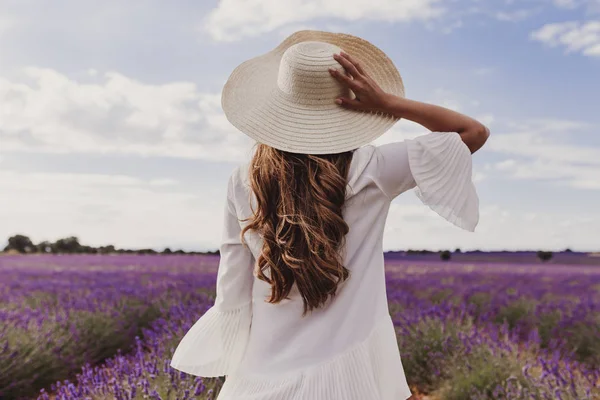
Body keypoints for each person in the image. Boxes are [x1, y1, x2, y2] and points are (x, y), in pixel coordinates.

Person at [170, 30, 489, 400]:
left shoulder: (243, 181)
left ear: (278, 105)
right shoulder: (373, 168)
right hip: (347, 378)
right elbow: (472, 132)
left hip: (261, 376)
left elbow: (232, 285)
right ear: (346, 103)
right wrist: (387, 102)